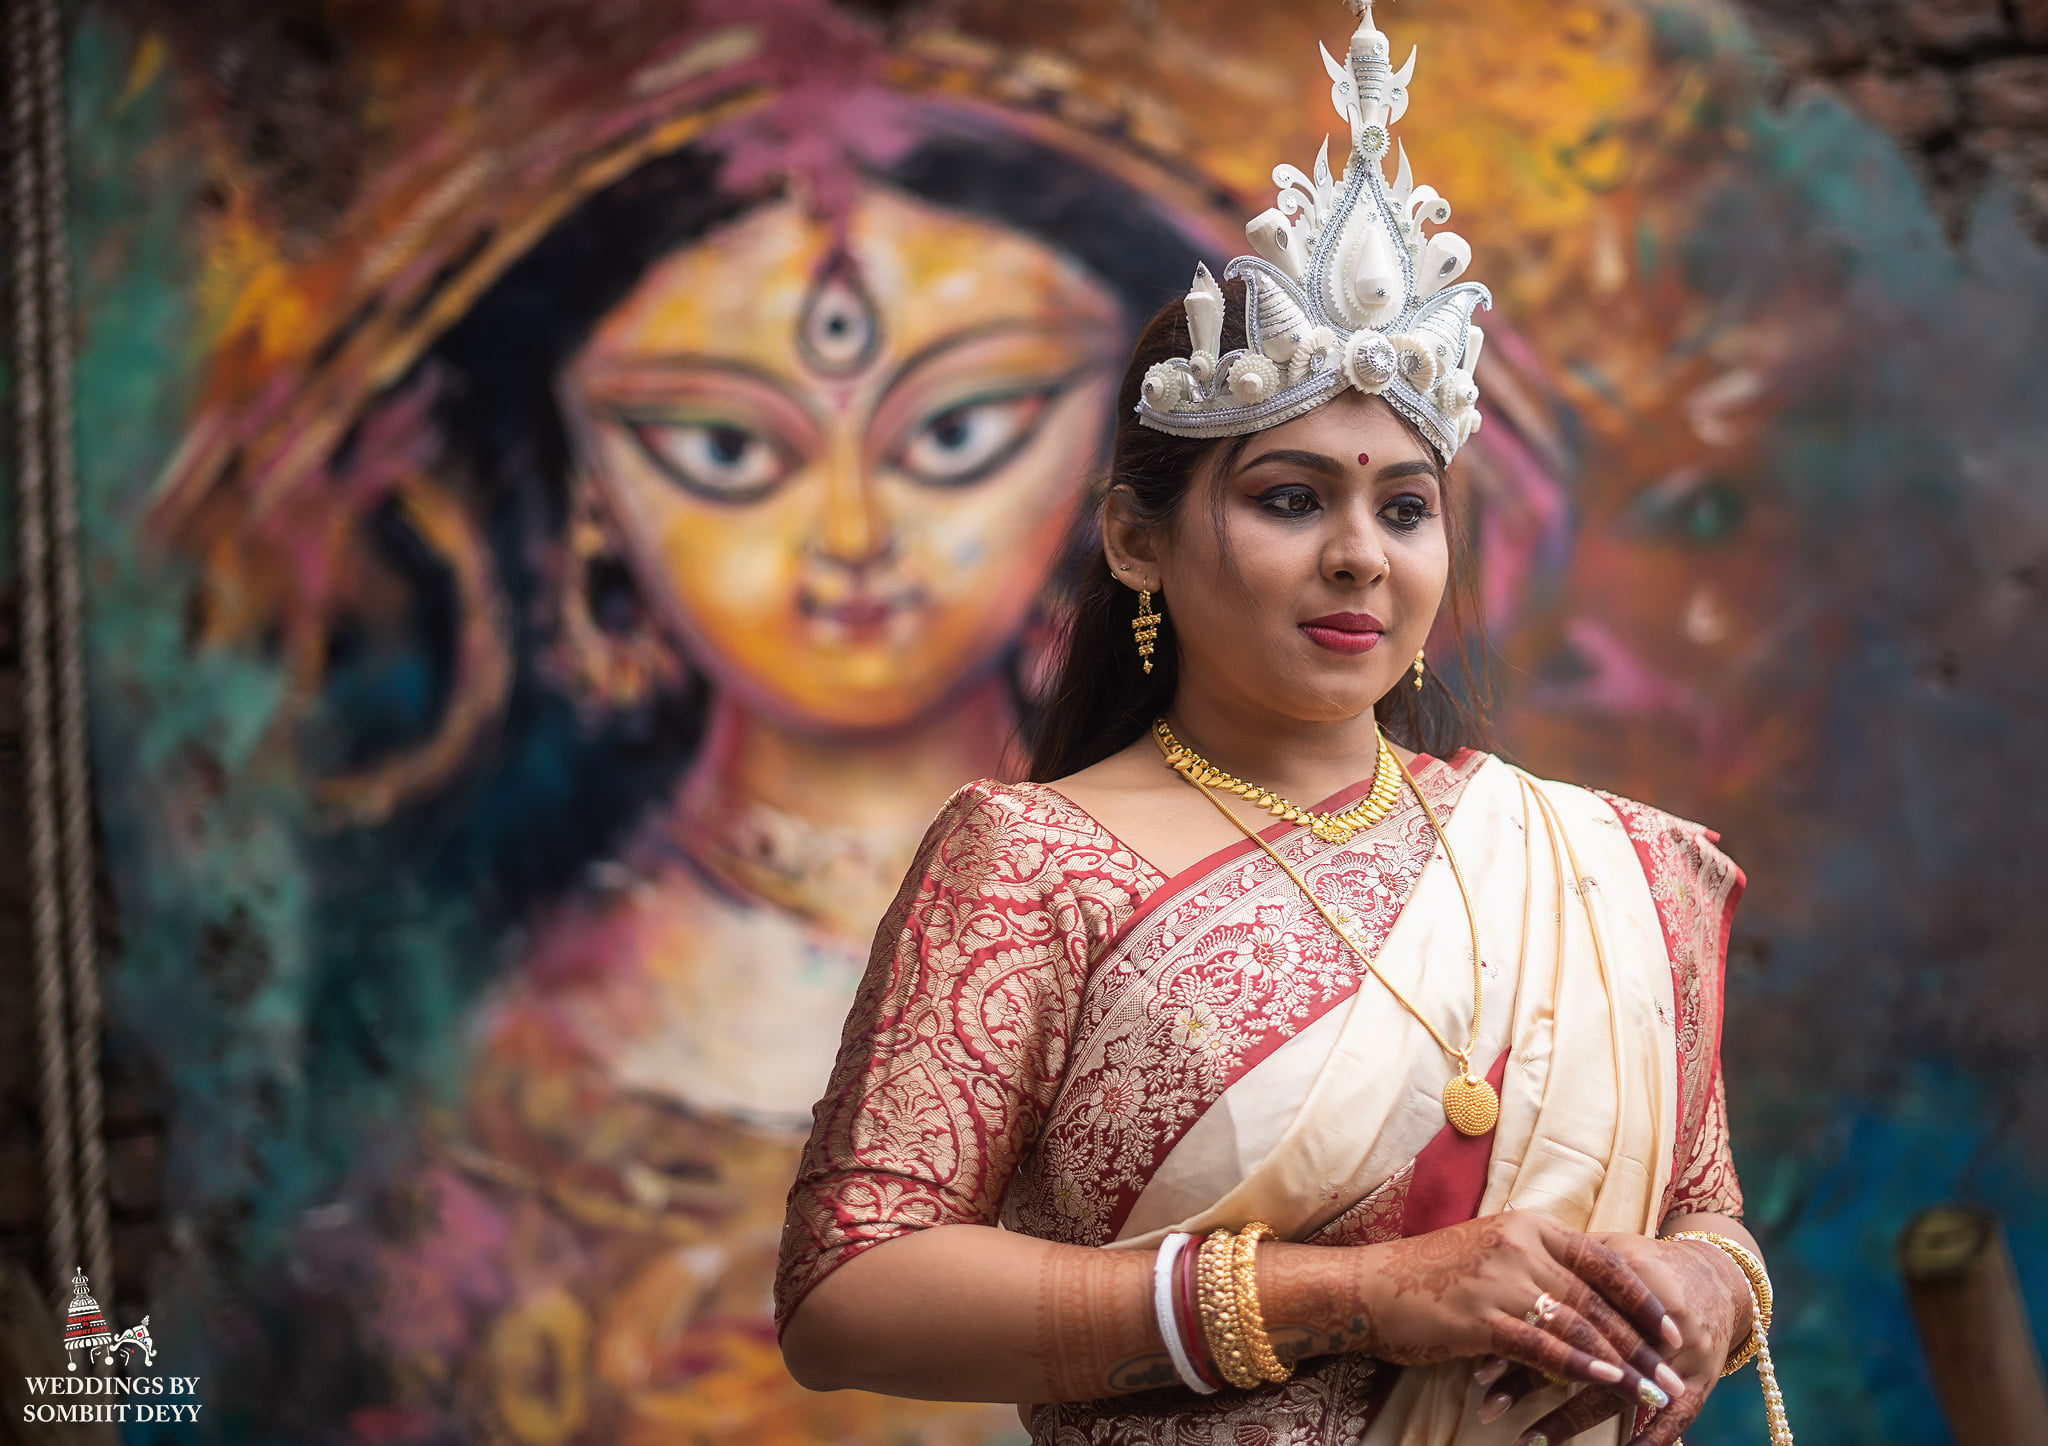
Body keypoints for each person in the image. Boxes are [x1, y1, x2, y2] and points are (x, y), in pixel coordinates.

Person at [775, 6, 1789, 1445]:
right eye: (1290, 497)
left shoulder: (1602, 865)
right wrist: (1356, 1294)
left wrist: (1700, 1286)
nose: (1362, 556)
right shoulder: (1032, 860)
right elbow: (849, 1289)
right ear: (1139, 539)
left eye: (1404, 507)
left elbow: (1713, 1214)